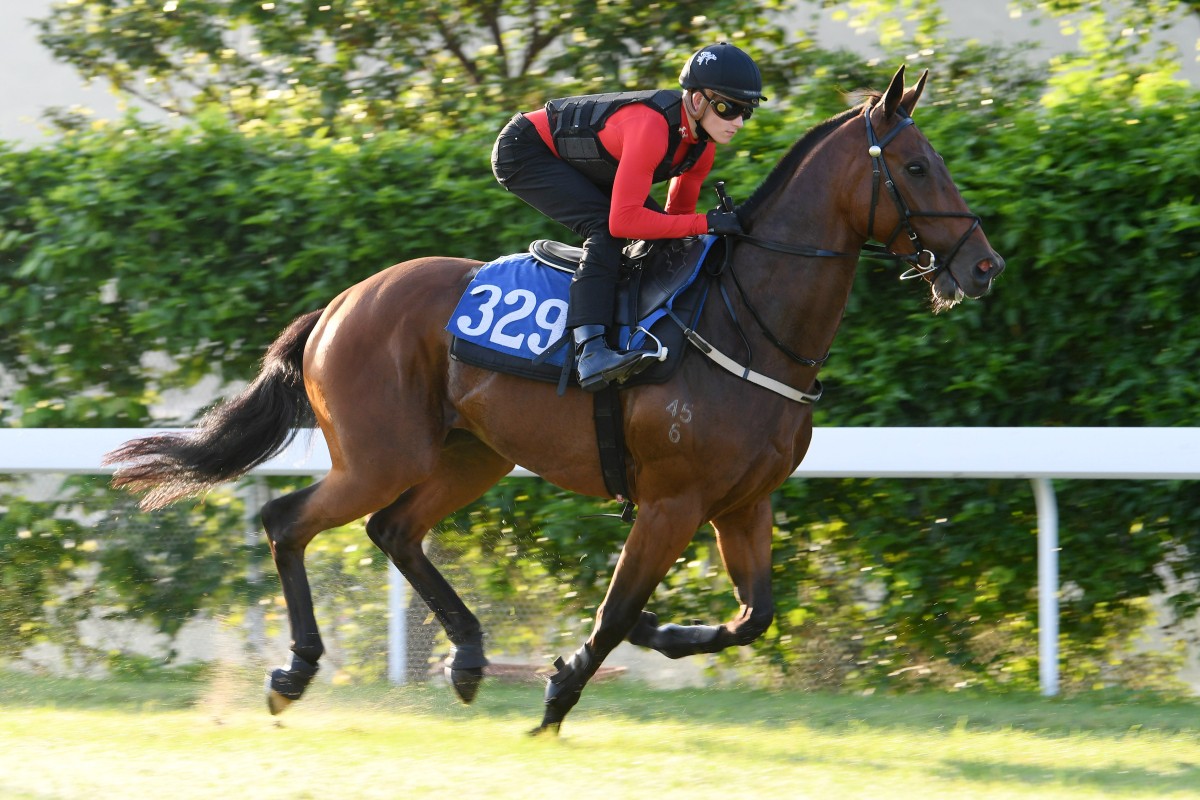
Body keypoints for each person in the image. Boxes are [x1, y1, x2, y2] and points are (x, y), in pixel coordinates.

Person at [491, 41, 766, 391]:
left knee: (662, 236)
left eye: (748, 111)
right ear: (697, 101)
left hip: (581, 160)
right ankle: (590, 351)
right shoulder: (651, 127)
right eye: (730, 108)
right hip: (526, 150)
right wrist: (707, 223)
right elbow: (624, 222)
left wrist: (704, 228)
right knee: (605, 228)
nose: (739, 122)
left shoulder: (702, 151)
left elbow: (675, 221)